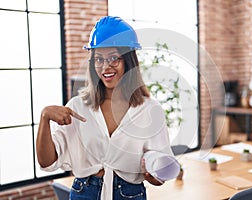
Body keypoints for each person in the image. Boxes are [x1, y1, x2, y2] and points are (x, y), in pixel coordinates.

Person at [36, 16, 174, 200]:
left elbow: (161, 170)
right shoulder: (78, 107)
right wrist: (45, 117)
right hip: (84, 192)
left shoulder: (149, 109)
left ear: (128, 60)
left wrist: (154, 176)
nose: (105, 66)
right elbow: (46, 162)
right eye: (98, 59)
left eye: (114, 58)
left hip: (130, 194)